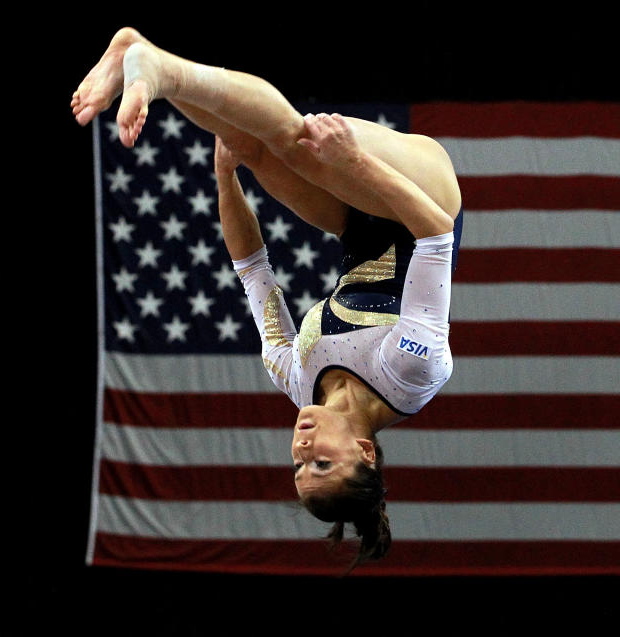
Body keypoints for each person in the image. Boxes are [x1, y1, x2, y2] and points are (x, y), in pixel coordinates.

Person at [72, 28, 462, 571]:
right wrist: (353, 164)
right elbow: (437, 235)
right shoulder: (411, 373)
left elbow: (253, 271)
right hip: (424, 198)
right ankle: (156, 71)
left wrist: (225, 180)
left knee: (251, 147)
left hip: (356, 222)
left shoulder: (293, 374)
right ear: (365, 453)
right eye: (322, 464)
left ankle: (145, 57)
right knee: (296, 141)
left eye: (299, 470)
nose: (302, 454)